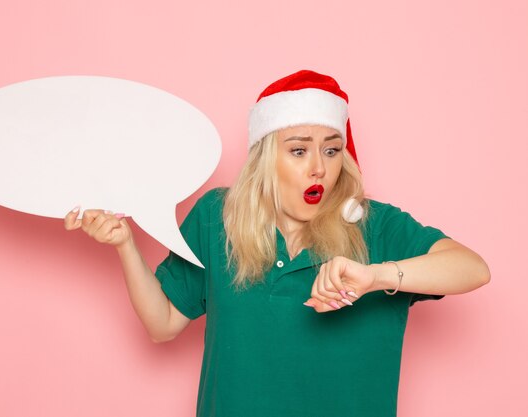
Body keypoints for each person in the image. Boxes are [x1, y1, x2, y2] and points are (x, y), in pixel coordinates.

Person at [64, 70, 490, 417]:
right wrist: (125, 245)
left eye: (331, 149)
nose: (319, 169)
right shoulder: (218, 217)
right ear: (267, 156)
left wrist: (377, 276)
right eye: (299, 151)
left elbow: (473, 268)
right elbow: (163, 323)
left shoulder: (374, 227)